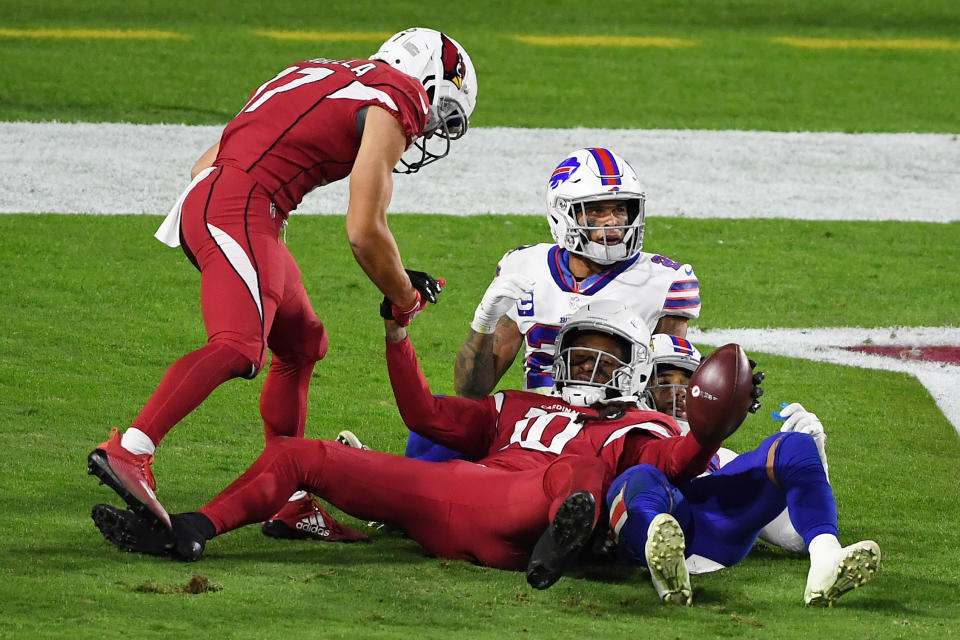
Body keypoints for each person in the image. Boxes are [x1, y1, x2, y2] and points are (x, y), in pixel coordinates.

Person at [85, 28, 478, 534]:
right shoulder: (395, 93)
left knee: (303, 342)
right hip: (242, 208)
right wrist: (404, 297)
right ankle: (131, 449)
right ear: (426, 78)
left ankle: (289, 499)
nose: (428, 129)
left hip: (223, 202)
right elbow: (363, 230)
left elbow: (205, 162)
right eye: (440, 111)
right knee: (238, 347)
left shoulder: (322, 71)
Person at [91, 300, 760, 591]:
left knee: (581, 468)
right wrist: (398, 336)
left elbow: (679, 465)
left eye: (601, 358)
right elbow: (424, 414)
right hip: (446, 496)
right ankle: (190, 530)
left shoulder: (636, 428)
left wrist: (712, 424)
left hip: (526, 514)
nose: (585, 367)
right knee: (299, 455)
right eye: (578, 355)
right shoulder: (515, 403)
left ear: (637, 370)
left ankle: (562, 540)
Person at [349, 147, 700, 465]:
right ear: (563, 214)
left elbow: (671, 396)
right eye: (596, 211)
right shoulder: (526, 267)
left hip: (606, 425)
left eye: (620, 209)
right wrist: (484, 322)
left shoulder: (664, 281)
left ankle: (379, 472)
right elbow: (471, 390)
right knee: (441, 425)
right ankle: (388, 473)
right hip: (534, 415)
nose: (614, 222)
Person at [606, 335, 880, 607]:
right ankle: (664, 569)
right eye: (664, 382)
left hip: (715, 537)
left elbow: (794, 538)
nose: (677, 393)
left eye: (687, 383)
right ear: (638, 384)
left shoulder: (722, 458)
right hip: (646, 521)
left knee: (794, 445)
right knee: (642, 476)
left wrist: (816, 456)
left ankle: (827, 560)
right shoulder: (624, 437)